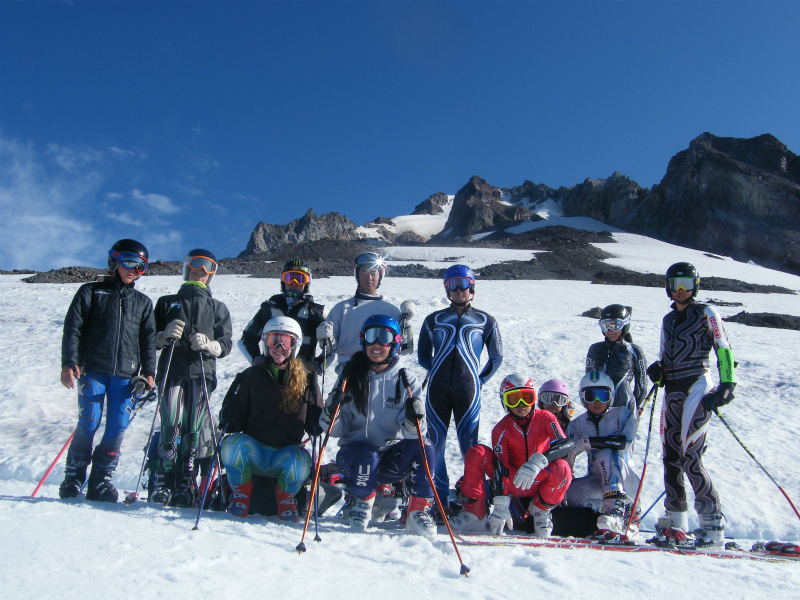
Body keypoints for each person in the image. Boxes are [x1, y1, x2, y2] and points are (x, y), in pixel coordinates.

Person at [320, 314, 437, 538]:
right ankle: (362, 502)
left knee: (425, 447)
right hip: (354, 457)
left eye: (384, 337)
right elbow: (335, 430)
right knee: (367, 455)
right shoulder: (349, 375)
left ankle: (417, 511)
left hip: (388, 458)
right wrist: (330, 413)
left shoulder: (405, 379)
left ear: (395, 343)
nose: (376, 344)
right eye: (371, 336)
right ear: (362, 340)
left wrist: (414, 418)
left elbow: (414, 434)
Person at [58, 239, 157, 503]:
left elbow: (148, 341)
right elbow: (73, 328)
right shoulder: (91, 292)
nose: (134, 270)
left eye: (141, 266)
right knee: (89, 422)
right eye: (129, 262)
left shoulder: (143, 303)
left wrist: (149, 372)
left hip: (125, 376)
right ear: (114, 260)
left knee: (117, 426)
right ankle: (73, 477)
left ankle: (100, 480)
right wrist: (69, 362)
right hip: (92, 370)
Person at [646, 262, 736, 546]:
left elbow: (723, 348)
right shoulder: (667, 320)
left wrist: (727, 385)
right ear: (668, 287)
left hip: (697, 386)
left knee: (691, 458)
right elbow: (664, 357)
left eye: (686, 283)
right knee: (670, 457)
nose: (681, 290)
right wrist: (658, 371)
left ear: (695, 285)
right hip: (672, 391)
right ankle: (676, 522)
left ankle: (712, 524)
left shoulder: (706, 312)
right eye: (675, 284)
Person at [150, 249, 233, 508]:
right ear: (186, 267)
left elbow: (226, 343)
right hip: (172, 370)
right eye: (197, 265)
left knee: (193, 427)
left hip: (201, 372)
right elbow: (149, 340)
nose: (202, 272)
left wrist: (211, 345)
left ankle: (186, 482)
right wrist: (163, 336)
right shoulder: (167, 303)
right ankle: (164, 479)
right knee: (170, 422)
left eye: (208, 268)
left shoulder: (217, 307)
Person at [218, 316, 321, 520]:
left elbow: (315, 426)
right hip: (254, 451)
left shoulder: (306, 380)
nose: (279, 348)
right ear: (265, 343)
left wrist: (322, 410)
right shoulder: (251, 376)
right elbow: (233, 422)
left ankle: (286, 498)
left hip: (285, 455)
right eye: (274, 340)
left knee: (302, 460)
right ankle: (241, 495)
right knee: (231, 445)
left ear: (296, 345)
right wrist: (229, 415)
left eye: (286, 341)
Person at [417, 264, 503, 507]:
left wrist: (480, 380)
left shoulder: (486, 320)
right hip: (437, 391)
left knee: (470, 449)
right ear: (446, 289)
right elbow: (423, 356)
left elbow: (497, 357)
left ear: (472, 287)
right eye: (452, 284)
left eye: (463, 284)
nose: (458, 289)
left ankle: (474, 503)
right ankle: (440, 502)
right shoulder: (433, 319)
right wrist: (436, 370)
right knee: (435, 447)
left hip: (468, 391)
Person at [449, 373, 572, 537]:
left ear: (534, 399)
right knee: (477, 453)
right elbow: (501, 466)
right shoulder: (501, 429)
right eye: (513, 399)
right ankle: (474, 515)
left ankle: (541, 512)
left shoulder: (546, 418)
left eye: (526, 398)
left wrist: (538, 462)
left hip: (539, 478)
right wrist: (501, 503)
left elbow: (565, 445)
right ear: (504, 401)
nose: (521, 405)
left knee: (563, 467)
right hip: (514, 480)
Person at [566, 370, 640, 538]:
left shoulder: (622, 415)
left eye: (603, 395)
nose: (597, 401)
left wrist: (588, 442)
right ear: (583, 398)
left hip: (624, 480)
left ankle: (619, 512)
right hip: (597, 479)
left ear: (611, 396)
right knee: (571, 493)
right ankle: (599, 519)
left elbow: (623, 443)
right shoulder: (577, 424)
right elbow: (568, 456)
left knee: (605, 454)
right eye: (591, 396)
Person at [316, 252, 415, 372]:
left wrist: (407, 323)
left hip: (383, 374)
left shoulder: (392, 311)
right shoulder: (341, 309)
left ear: (380, 275)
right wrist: (326, 342)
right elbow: (329, 349)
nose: (369, 278)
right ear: (357, 275)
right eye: (364, 273)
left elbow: (403, 349)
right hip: (349, 373)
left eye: (373, 273)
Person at [239, 259, 325, 367]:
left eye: (300, 279)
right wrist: (256, 359)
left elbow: (334, 344)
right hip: (270, 372)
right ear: (283, 282)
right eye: (289, 278)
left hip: (303, 374)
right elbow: (247, 337)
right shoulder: (269, 309)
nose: (294, 283)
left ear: (306, 283)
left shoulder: (316, 313)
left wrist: (318, 365)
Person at [585, 304, 648, 414]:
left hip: (625, 410)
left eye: (615, 325)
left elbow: (642, 385)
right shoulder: (595, 349)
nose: (610, 330)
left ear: (625, 325)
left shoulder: (634, 351)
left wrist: (636, 408)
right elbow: (588, 381)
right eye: (605, 325)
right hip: (599, 408)